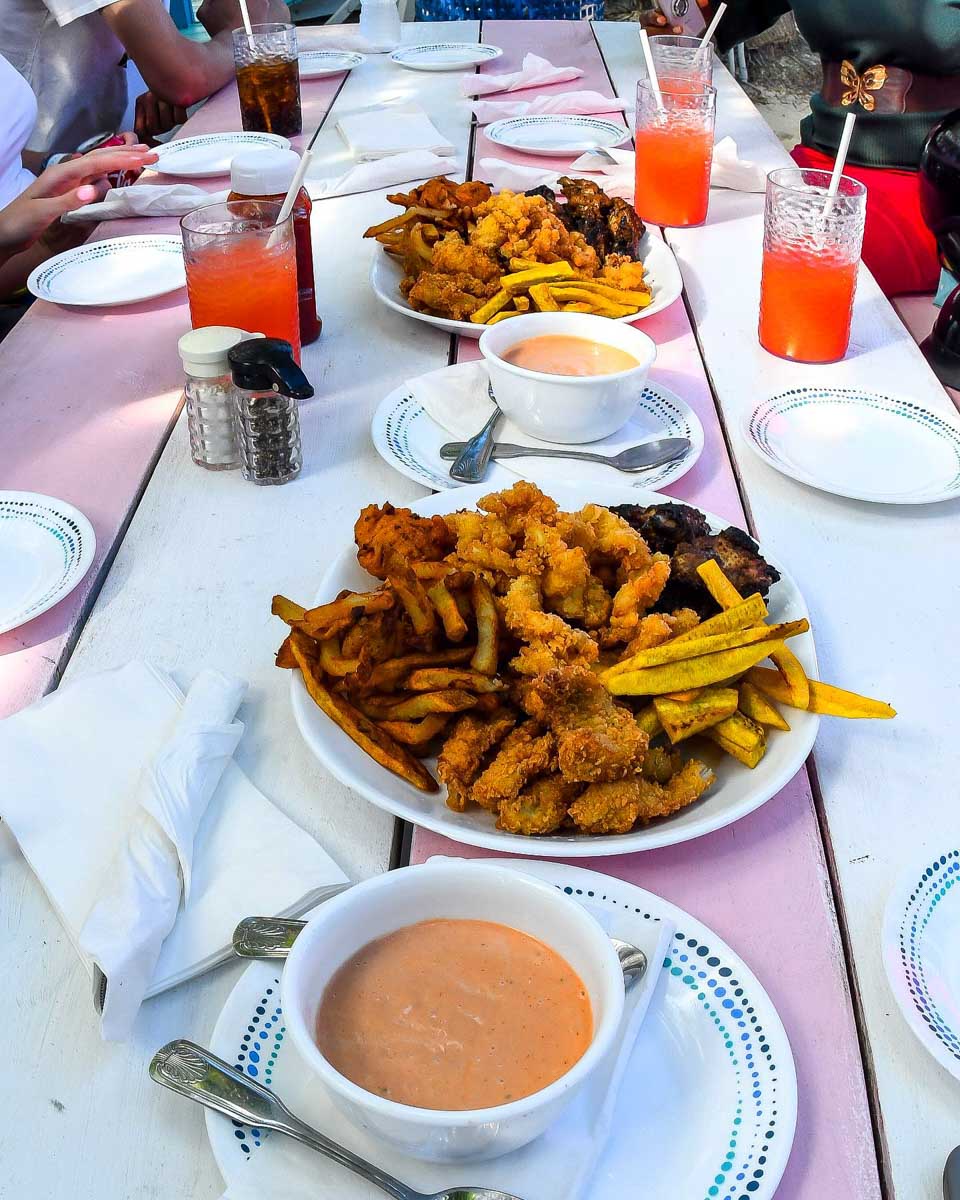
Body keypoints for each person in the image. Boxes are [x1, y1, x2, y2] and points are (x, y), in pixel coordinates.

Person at [693, 0, 960, 297]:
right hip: (815, 166)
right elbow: (718, 15)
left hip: (927, 190)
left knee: (795, 272)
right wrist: (682, 17)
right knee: (707, 243)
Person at [0, 0, 291, 157]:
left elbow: (274, 11)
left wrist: (189, 66)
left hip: (118, 153)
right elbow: (184, 78)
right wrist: (242, 35)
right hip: (37, 186)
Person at [0, 143, 158, 299]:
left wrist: (56, 161)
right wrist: (44, 247)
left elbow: (10, 153)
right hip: (25, 275)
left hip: (56, 222)